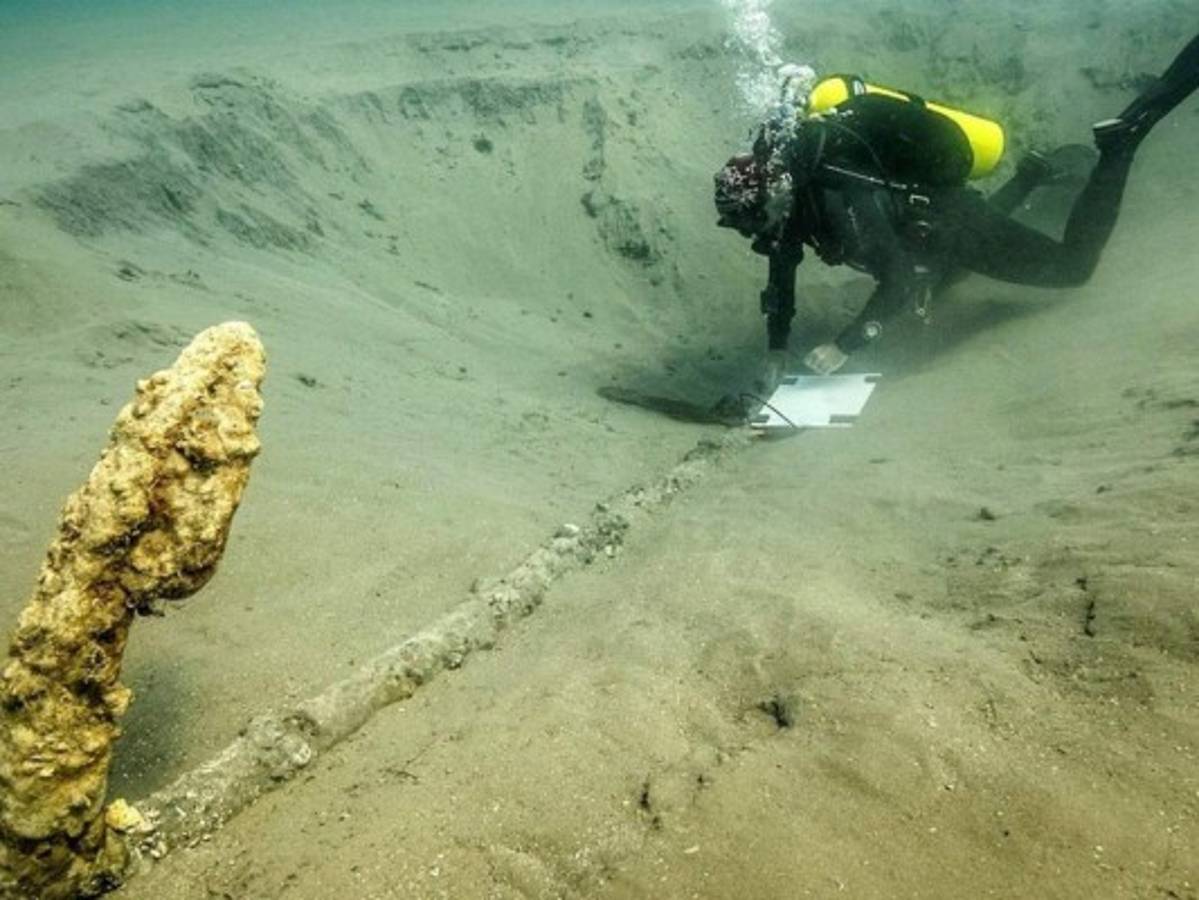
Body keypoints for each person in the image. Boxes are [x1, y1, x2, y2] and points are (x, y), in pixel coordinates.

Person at [714, 34, 1199, 377]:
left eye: (750, 221)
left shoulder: (840, 201)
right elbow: (781, 274)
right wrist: (776, 351)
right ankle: (1029, 177)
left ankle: (1123, 146)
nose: (754, 233)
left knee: (1071, 269)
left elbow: (899, 278)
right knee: (944, 277)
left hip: (952, 222)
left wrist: (846, 344)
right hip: (925, 225)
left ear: (771, 196)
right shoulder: (786, 199)